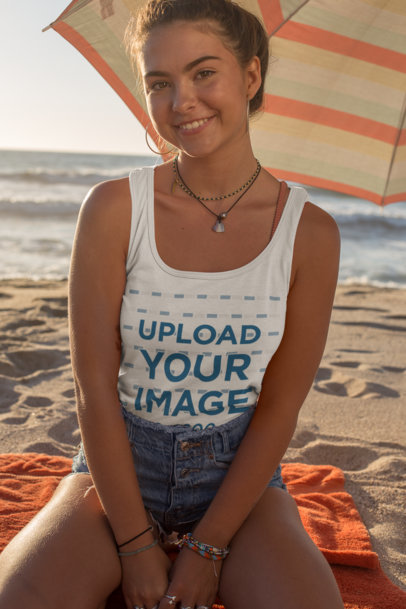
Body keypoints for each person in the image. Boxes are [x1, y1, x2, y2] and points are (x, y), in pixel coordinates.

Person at [0, 1, 344, 608]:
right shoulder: (114, 210)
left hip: (237, 475)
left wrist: (208, 549)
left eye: (204, 72)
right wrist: (135, 547)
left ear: (252, 76)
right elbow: (93, 388)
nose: (181, 99)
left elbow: (280, 406)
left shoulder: (309, 233)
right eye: (160, 82)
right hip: (118, 466)